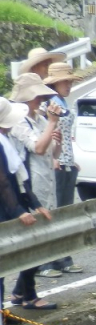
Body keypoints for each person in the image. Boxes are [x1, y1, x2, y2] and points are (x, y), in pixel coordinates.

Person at [0, 97, 55, 310]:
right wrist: (19, 210)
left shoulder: (6, 140)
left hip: (9, 205)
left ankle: (7, 310)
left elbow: (18, 178)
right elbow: (3, 181)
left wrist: (34, 203)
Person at [8, 73, 62, 280]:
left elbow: (52, 153)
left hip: (46, 179)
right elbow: (37, 148)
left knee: (44, 229)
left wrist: (58, 137)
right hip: (30, 183)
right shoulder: (19, 121)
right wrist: (51, 124)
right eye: (37, 96)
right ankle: (28, 283)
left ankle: (26, 289)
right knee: (33, 234)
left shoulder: (40, 119)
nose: (40, 100)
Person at [41, 61, 83, 276]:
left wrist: (70, 158)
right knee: (53, 213)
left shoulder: (63, 102)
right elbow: (46, 132)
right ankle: (46, 260)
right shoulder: (47, 104)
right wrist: (53, 158)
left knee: (65, 212)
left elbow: (66, 135)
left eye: (69, 81)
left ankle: (63, 256)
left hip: (66, 160)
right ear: (55, 83)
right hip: (53, 162)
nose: (68, 85)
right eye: (65, 81)